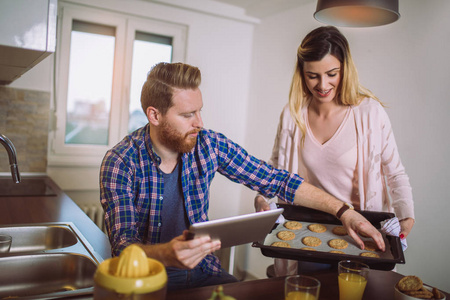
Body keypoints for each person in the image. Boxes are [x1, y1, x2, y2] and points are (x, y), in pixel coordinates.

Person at [100, 62, 385, 291]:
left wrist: (344, 211)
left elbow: (276, 180)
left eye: (200, 111)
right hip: (148, 282)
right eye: (188, 114)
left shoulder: (209, 144)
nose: (200, 122)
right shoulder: (121, 163)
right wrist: (167, 253)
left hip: (204, 273)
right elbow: (123, 247)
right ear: (154, 115)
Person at [254, 26, 414, 276]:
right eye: (312, 75)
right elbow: (275, 169)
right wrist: (262, 198)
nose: (323, 84)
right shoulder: (292, 114)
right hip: (306, 229)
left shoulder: (370, 114)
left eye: (331, 73)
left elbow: (395, 172)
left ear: (345, 69)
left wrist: (406, 215)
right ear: (302, 74)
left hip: (360, 233)